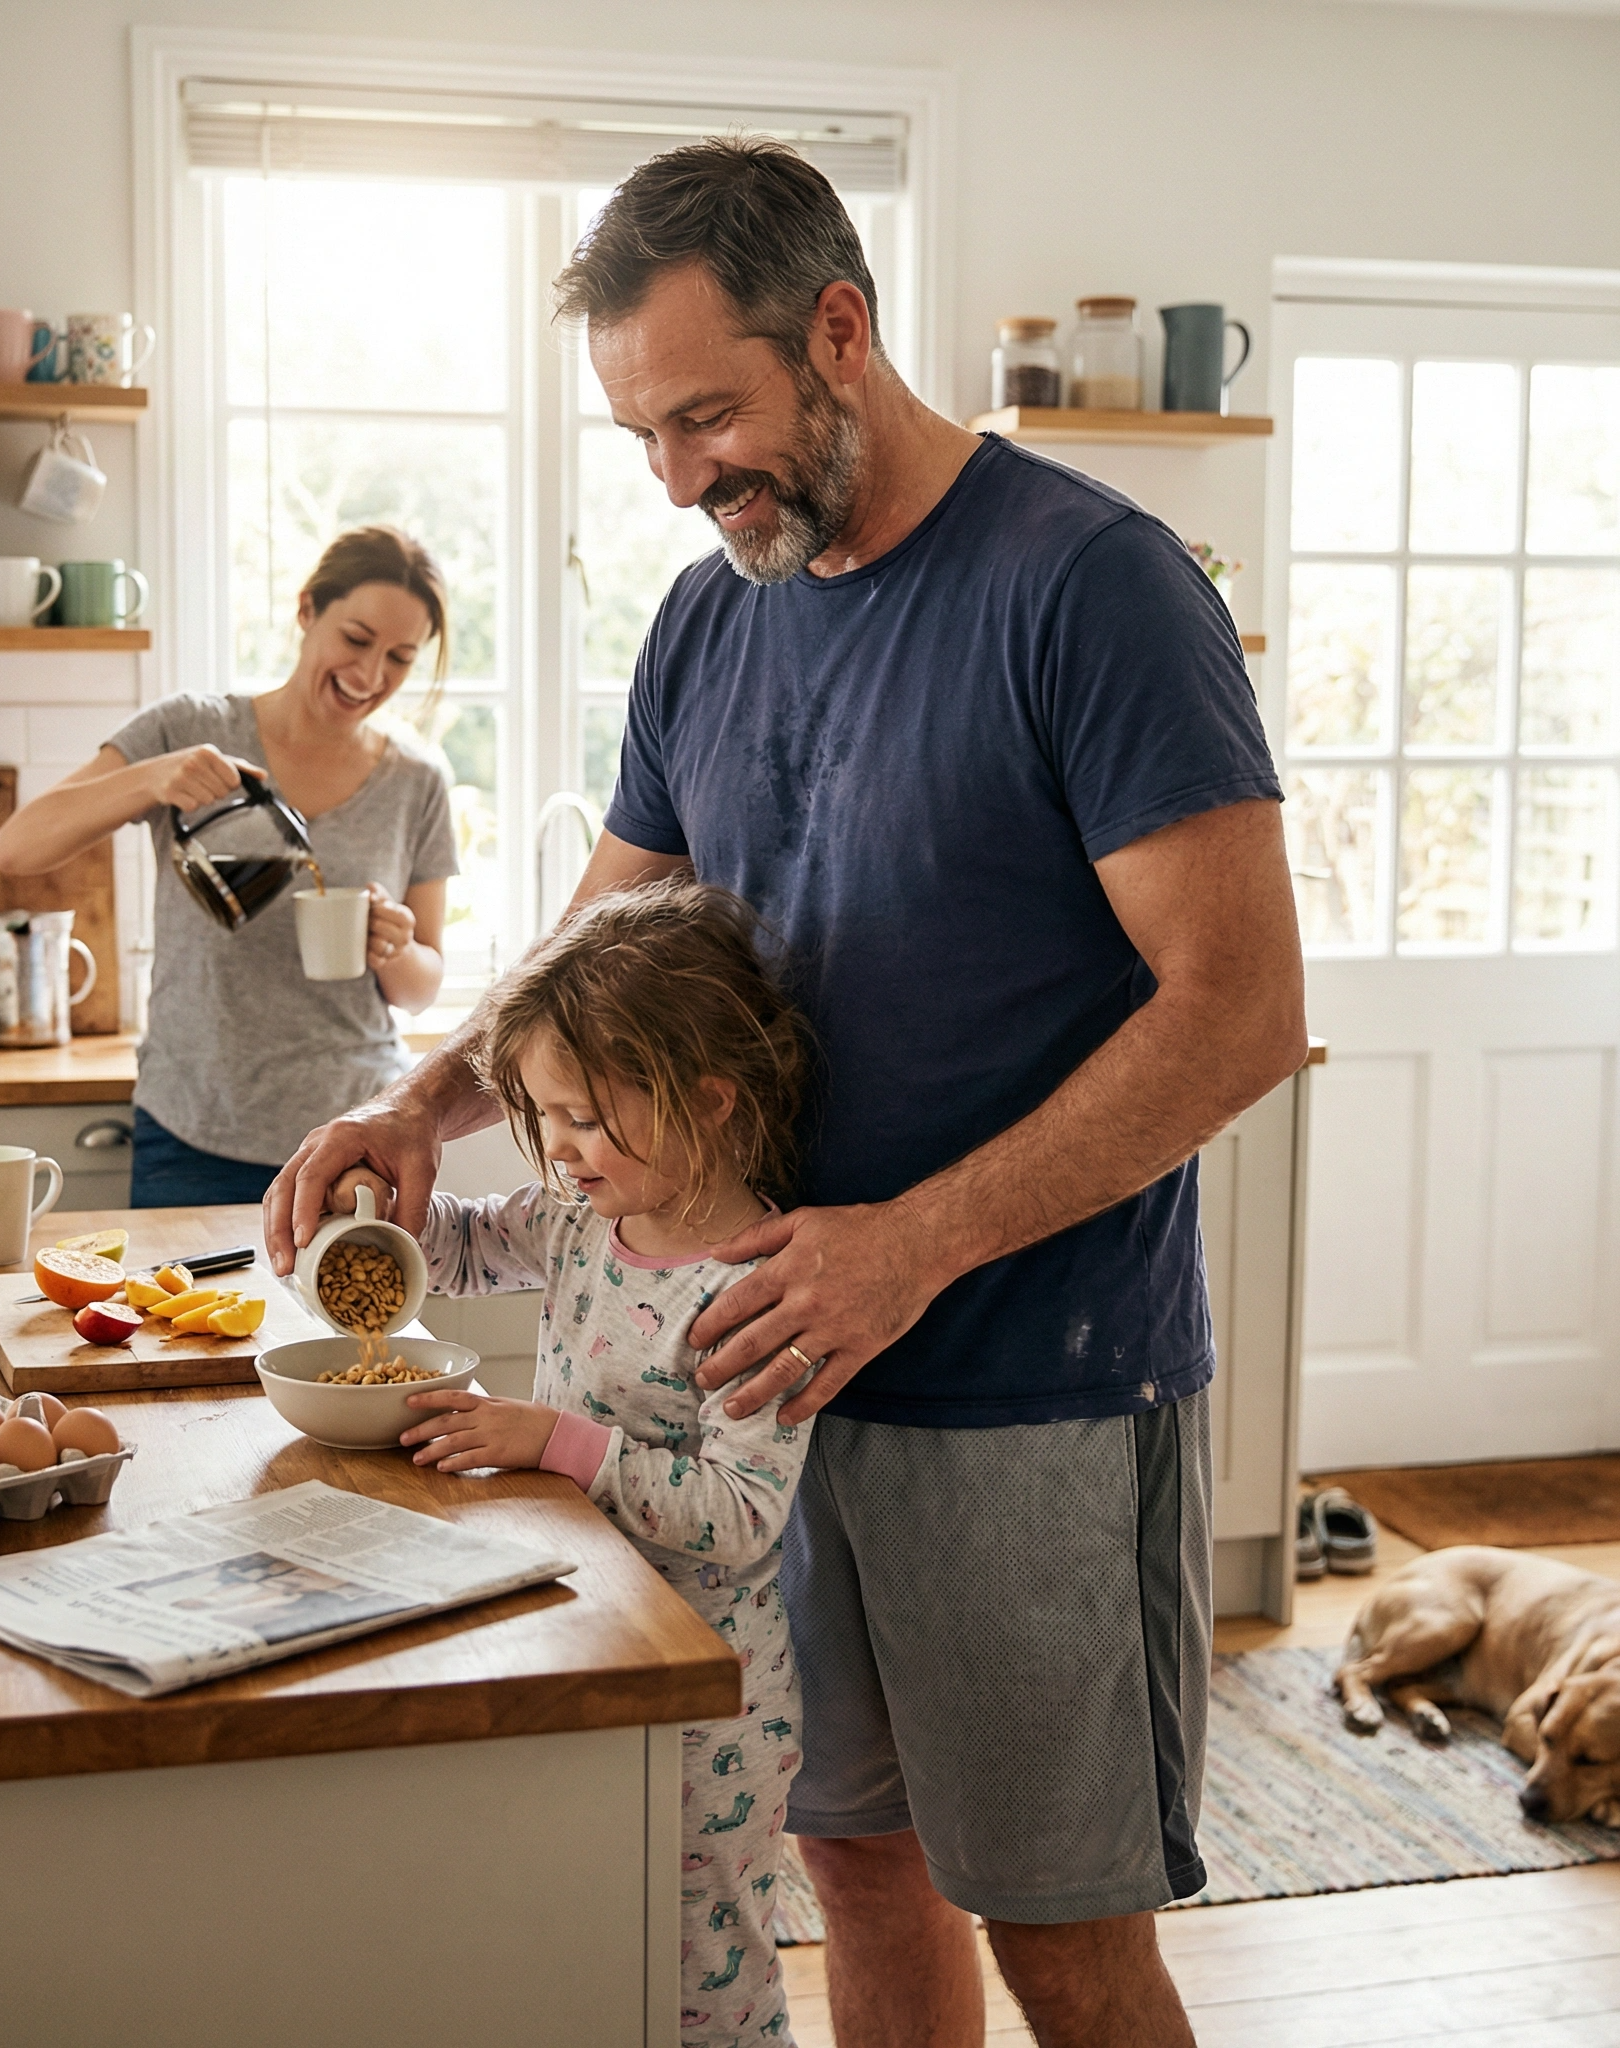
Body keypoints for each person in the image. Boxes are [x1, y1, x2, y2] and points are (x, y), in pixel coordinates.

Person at [269, 141, 1308, 2047]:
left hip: (1021, 1381)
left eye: (705, 416)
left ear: (838, 329)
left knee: (1063, 1942)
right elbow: (593, 940)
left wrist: (908, 1246)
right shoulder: (709, 618)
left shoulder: (1089, 586)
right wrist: (423, 1109)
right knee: (851, 1871)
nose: (677, 476)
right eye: (641, 434)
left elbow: (1238, 1011)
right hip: (757, 1383)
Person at [336, 878, 813, 2048]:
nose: (556, 1146)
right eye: (543, 1115)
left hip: (709, 1691)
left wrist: (552, 1440)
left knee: (703, 1974)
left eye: (586, 1117)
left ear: (709, 1099)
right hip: (591, 1641)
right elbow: (452, 1250)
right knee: (593, 1934)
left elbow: (741, 1511)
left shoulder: (761, 1288)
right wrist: (374, 1206)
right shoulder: (577, 1220)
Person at [0, 525, 459, 1208]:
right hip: (193, 1133)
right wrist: (152, 778)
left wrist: (396, 948)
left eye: (400, 658)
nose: (370, 675)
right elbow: (16, 849)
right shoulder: (190, 730)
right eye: (356, 640)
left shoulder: (417, 781)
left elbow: (421, 988)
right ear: (307, 610)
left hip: (354, 1134)